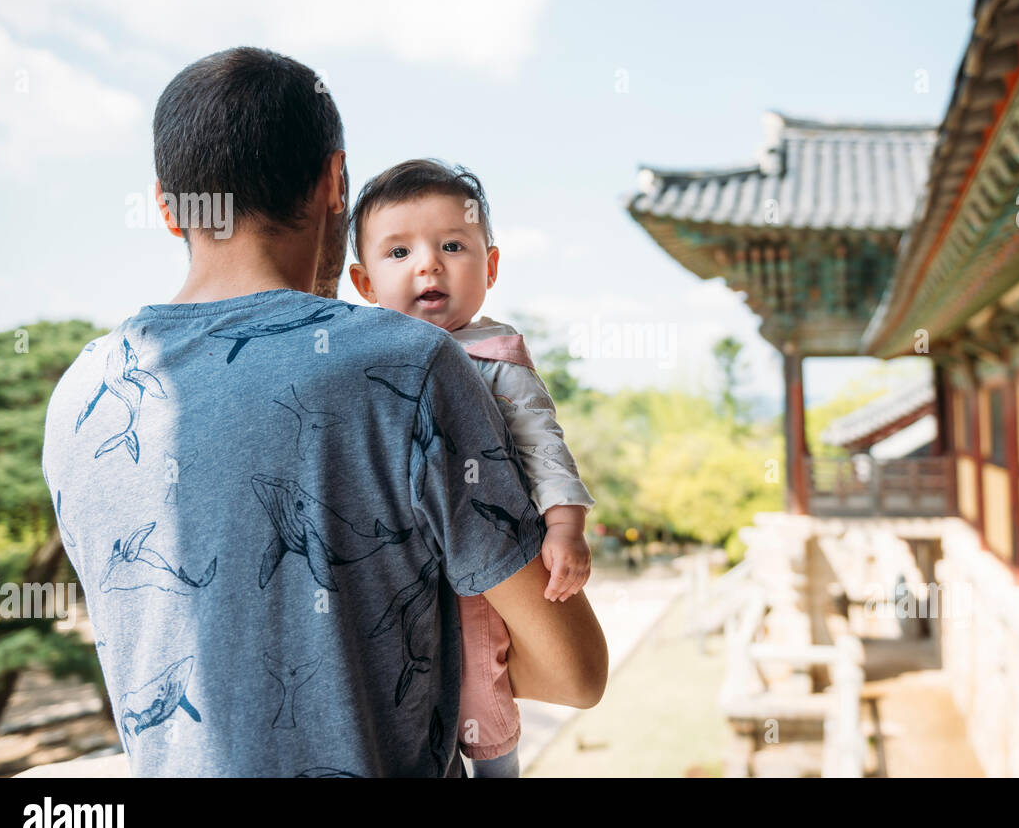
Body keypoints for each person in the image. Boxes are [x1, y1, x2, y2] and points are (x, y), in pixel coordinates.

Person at [40, 46, 607, 777]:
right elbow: (575, 671)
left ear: (166, 205)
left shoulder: (81, 396)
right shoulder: (411, 365)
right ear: (335, 181)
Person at [348, 159, 594, 777]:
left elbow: (543, 444)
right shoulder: (364, 363)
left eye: (452, 246)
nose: (428, 264)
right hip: (399, 565)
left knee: (482, 685)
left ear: (489, 266)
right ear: (363, 281)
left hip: (480, 570)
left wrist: (565, 526)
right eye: (399, 251)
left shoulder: (496, 359)